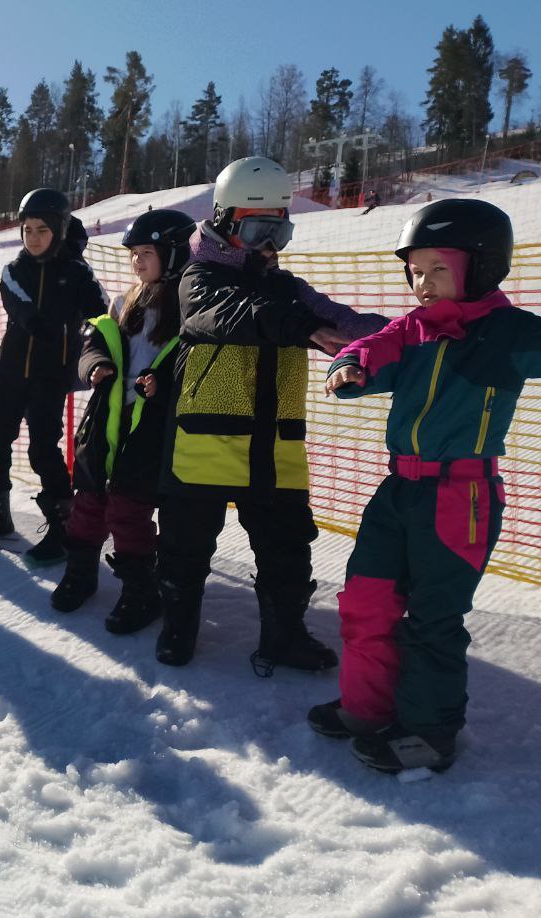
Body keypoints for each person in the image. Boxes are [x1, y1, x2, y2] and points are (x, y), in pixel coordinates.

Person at [308, 199, 540, 774]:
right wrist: (350, 365)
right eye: (415, 271)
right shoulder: (412, 330)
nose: (424, 283)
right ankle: (367, 707)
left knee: (432, 619)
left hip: (461, 497)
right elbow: (371, 347)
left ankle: (430, 731)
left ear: (481, 266)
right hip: (398, 492)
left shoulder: (508, 333)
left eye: (439, 269)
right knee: (366, 600)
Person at [155, 156, 386, 670]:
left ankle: (284, 635)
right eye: (258, 230)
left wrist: (410, 334)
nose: (269, 246)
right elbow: (223, 314)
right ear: (223, 221)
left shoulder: (287, 288)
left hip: (276, 445)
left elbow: (345, 322)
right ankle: (178, 627)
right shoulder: (198, 277)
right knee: (184, 546)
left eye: (280, 232)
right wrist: (297, 326)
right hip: (206, 443)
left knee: (288, 547)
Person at [50, 208, 195, 633]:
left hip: (150, 422)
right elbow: (95, 341)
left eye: (146, 252)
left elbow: (191, 360)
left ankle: (140, 588)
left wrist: (163, 384)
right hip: (106, 415)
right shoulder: (122, 301)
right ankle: (81, 571)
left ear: (173, 254)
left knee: (128, 506)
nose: (137, 261)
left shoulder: (188, 306)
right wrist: (95, 366)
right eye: (133, 253)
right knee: (88, 498)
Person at [0, 188, 110, 565]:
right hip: (10, 371)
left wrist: (95, 343)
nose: (32, 237)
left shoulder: (77, 273)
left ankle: (63, 527)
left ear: (59, 230)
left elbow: (101, 314)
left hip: (50, 376)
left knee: (43, 450)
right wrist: (34, 321)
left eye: (42, 230)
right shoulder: (15, 268)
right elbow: (15, 297)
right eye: (27, 229)